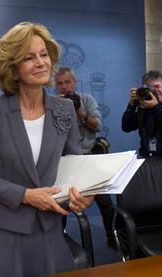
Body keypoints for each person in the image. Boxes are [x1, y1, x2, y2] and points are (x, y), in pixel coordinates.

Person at [0, 22, 94, 277]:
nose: (41, 62)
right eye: (29, 57)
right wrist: (26, 195)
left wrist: (85, 193)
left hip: (49, 230)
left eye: (44, 55)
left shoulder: (64, 109)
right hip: (2, 230)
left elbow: (75, 164)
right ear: (13, 69)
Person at [54, 67, 116, 249]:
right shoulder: (53, 103)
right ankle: (59, 238)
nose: (64, 87)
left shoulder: (86, 99)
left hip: (88, 158)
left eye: (67, 82)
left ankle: (112, 235)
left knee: (105, 202)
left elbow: (97, 126)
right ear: (55, 86)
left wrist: (80, 111)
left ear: (75, 83)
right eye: (60, 83)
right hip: (65, 160)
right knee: (61, 203)